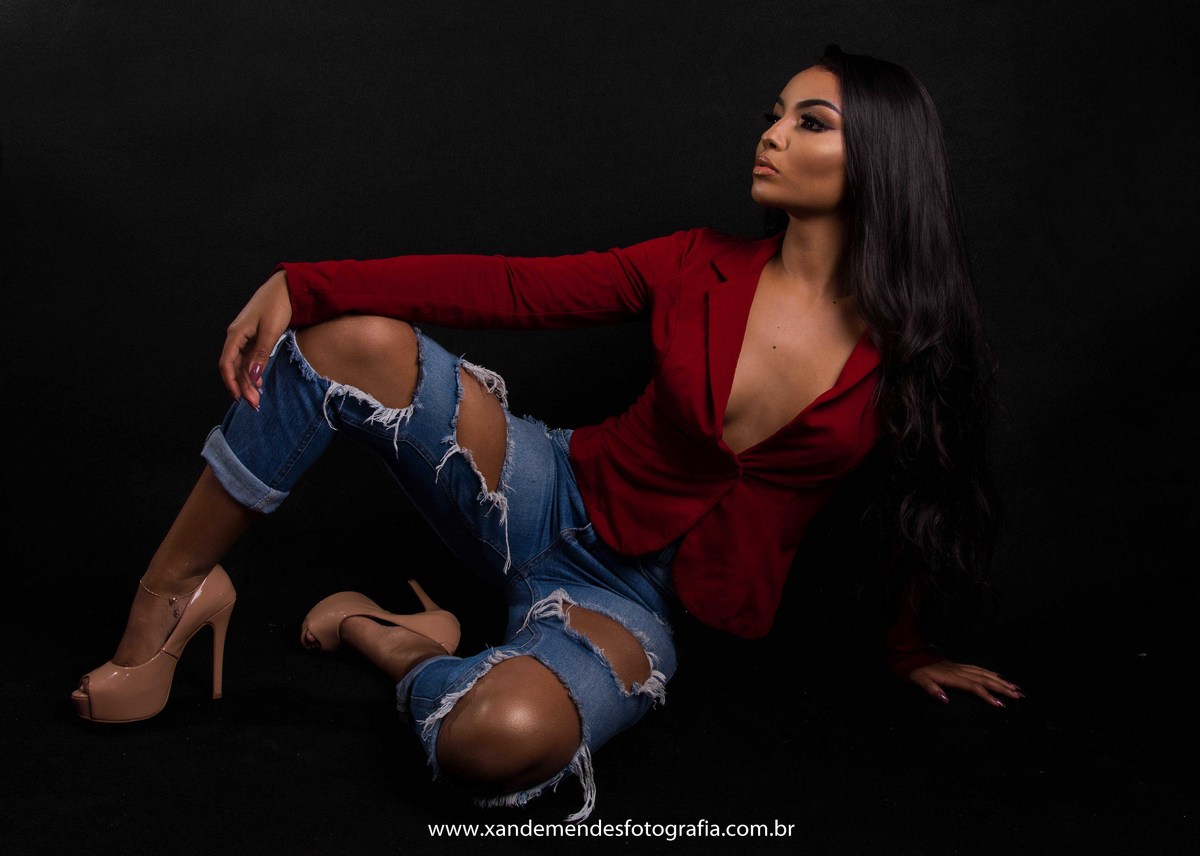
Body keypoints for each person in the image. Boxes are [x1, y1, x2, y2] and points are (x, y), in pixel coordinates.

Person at [70, 44, 1022, 821]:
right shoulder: (697, 264)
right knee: (345, 340)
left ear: (881, 158)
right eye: (775, 113)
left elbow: (922, 502)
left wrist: (909, 647)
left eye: (810, 122)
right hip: (547, 491)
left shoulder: (910, 347)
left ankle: (391, 637)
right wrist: (308, 282)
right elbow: (515, 288)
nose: (771, 134)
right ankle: (169, 600)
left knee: (495, 744)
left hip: (636, 604)